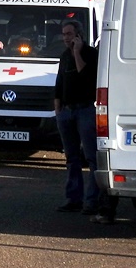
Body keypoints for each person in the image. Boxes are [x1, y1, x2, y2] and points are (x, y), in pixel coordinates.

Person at [53, 19, 98, 215]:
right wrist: (58, 108)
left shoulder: (90, 54)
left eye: (69, 34)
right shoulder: (64, 56)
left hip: (85, 110)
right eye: (64, 34)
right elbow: (60, 82)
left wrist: (78, 52)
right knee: (71, 158)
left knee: (92, 158)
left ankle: (93, 201)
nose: (65, 38)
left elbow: (87, 76)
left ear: (79, 35)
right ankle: (74, 198)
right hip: (67, 112)